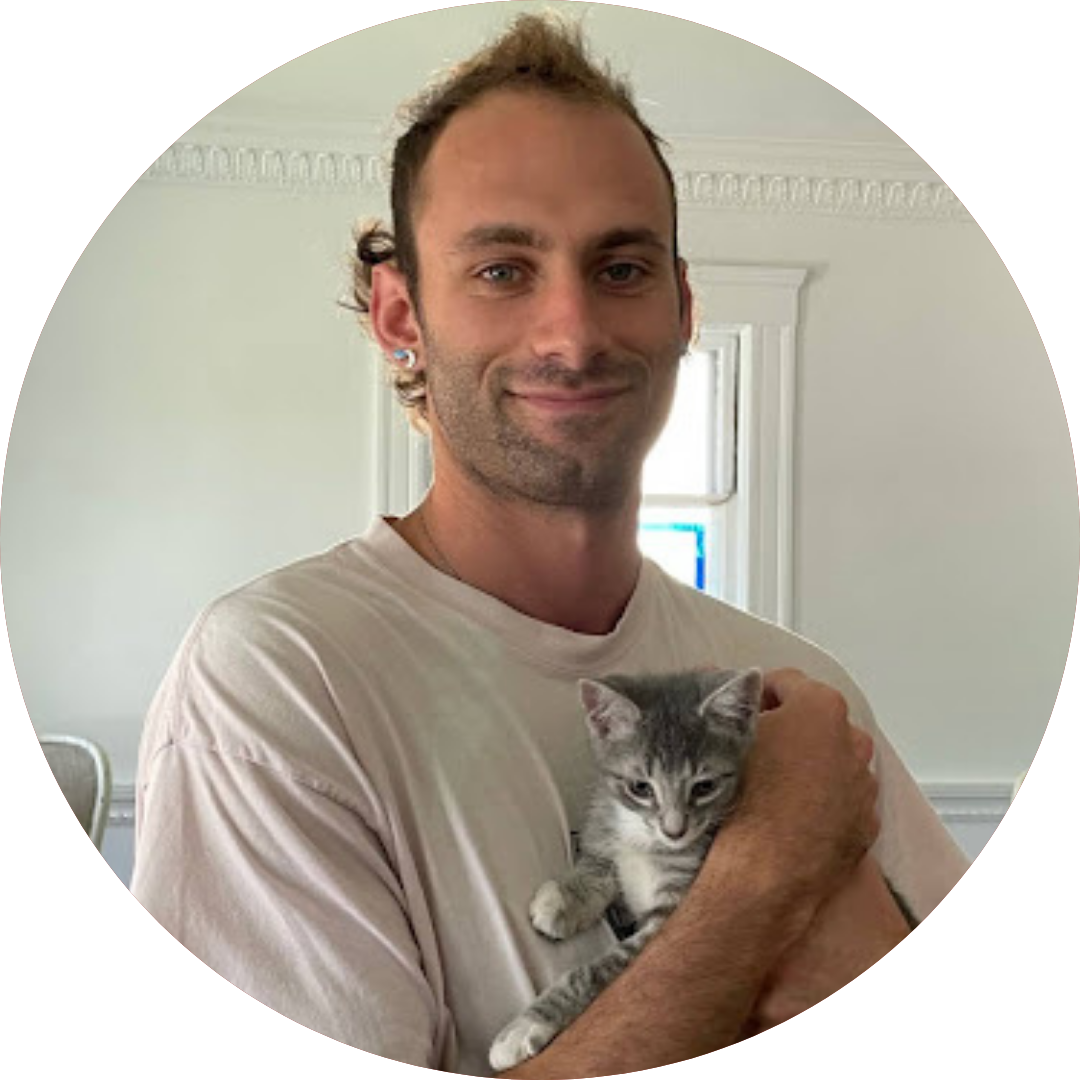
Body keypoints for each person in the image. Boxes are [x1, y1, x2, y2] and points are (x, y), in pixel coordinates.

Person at [131, 14, 968, 1077]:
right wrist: (767, 877)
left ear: (683, 308)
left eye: (621, 268)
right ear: (401, 315)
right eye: (501, 271)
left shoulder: (797, 695)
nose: (572, 333)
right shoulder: (275, 679)